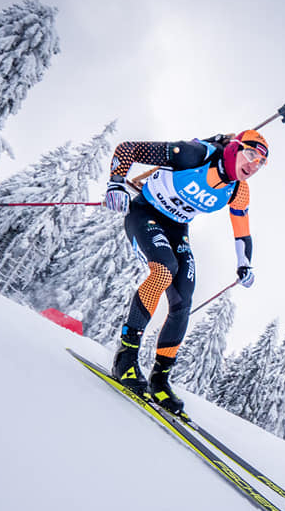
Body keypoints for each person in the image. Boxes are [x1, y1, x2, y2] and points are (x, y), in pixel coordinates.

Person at [101, 129, 269, 415]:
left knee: (184, 299)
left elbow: (242, 232)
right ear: (236, 148)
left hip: (178, 229)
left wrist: (245, 264)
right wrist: (116, 184)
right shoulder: (194, 155)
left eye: (261, 163)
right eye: (251, 154)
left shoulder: (239, 190)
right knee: (164, 270)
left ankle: (159, 379)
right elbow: (127, 149)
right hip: (146, 213)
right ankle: (126, 357)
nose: (254, 166)